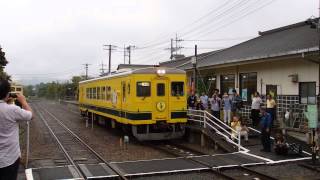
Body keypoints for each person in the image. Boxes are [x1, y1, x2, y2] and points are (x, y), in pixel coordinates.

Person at [0, 80, 33, 180]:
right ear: (7, 93)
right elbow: (30, 115)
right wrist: (23, 101)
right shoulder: (12, 109)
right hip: (8, 160)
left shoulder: (10, 108)